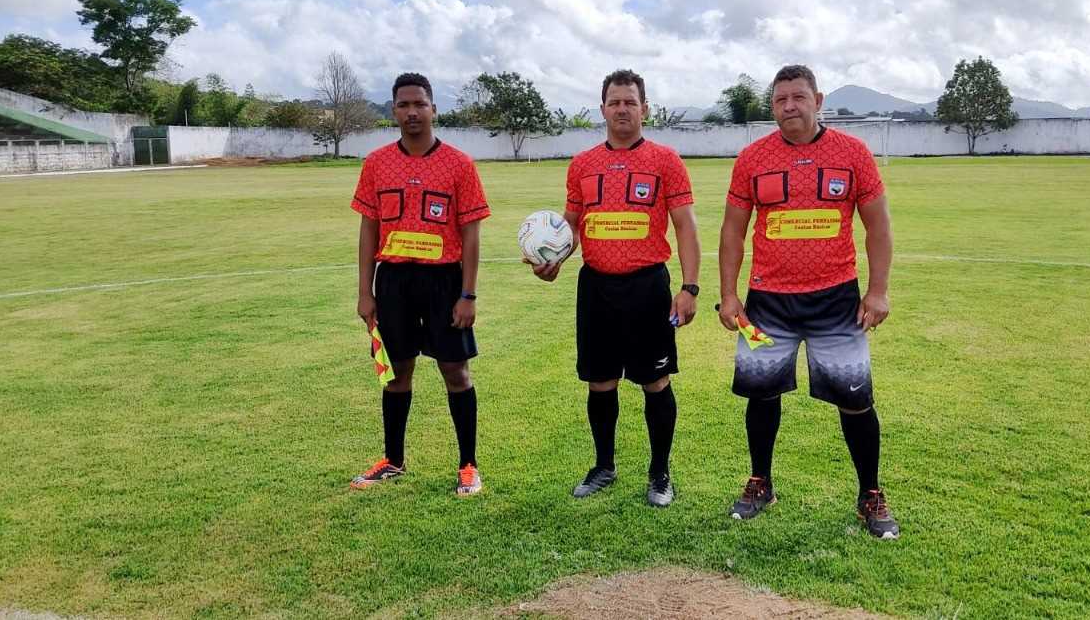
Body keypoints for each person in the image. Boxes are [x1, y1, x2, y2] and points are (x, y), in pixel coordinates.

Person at [718, 64, 899, 539]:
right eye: (780, 100)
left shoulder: (853, 153)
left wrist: (877, 290)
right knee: (761, 393)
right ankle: (760, 482)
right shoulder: (753, 158)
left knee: (855, 400)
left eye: (798, 97)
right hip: (766, 304)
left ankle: (870, 494)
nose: (789, 106)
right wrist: (729, 295)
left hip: (836, 301)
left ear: (818, 101)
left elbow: (878, 226)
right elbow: (733, 231)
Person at [531, 69, 700, 507]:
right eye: (614, 102)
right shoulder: (582, 164)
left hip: (648, 287)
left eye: (630, 102)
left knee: (656, 381)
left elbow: (685, 226)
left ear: (645, 108)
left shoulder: (666, 161)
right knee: (600, 381)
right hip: (597, 288)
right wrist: (553, 258)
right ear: (602, 109)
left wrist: (690, 287)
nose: (622, 109)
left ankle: (660, 473)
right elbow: (571, 225)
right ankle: (604, 466)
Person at [349, 72, 490, 497]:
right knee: (396, 373)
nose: (412, 112)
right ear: (393, 111)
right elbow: (368, 229)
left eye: (420, 104)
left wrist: (467, 294)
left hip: (444, 281)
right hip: (393, 281)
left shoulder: (459, 164)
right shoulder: (376, 163)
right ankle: (393, 460)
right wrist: (365, 291)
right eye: (404, 105)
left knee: (456, 372)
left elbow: (471, 235)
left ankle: (468, 465)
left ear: (433, 109)